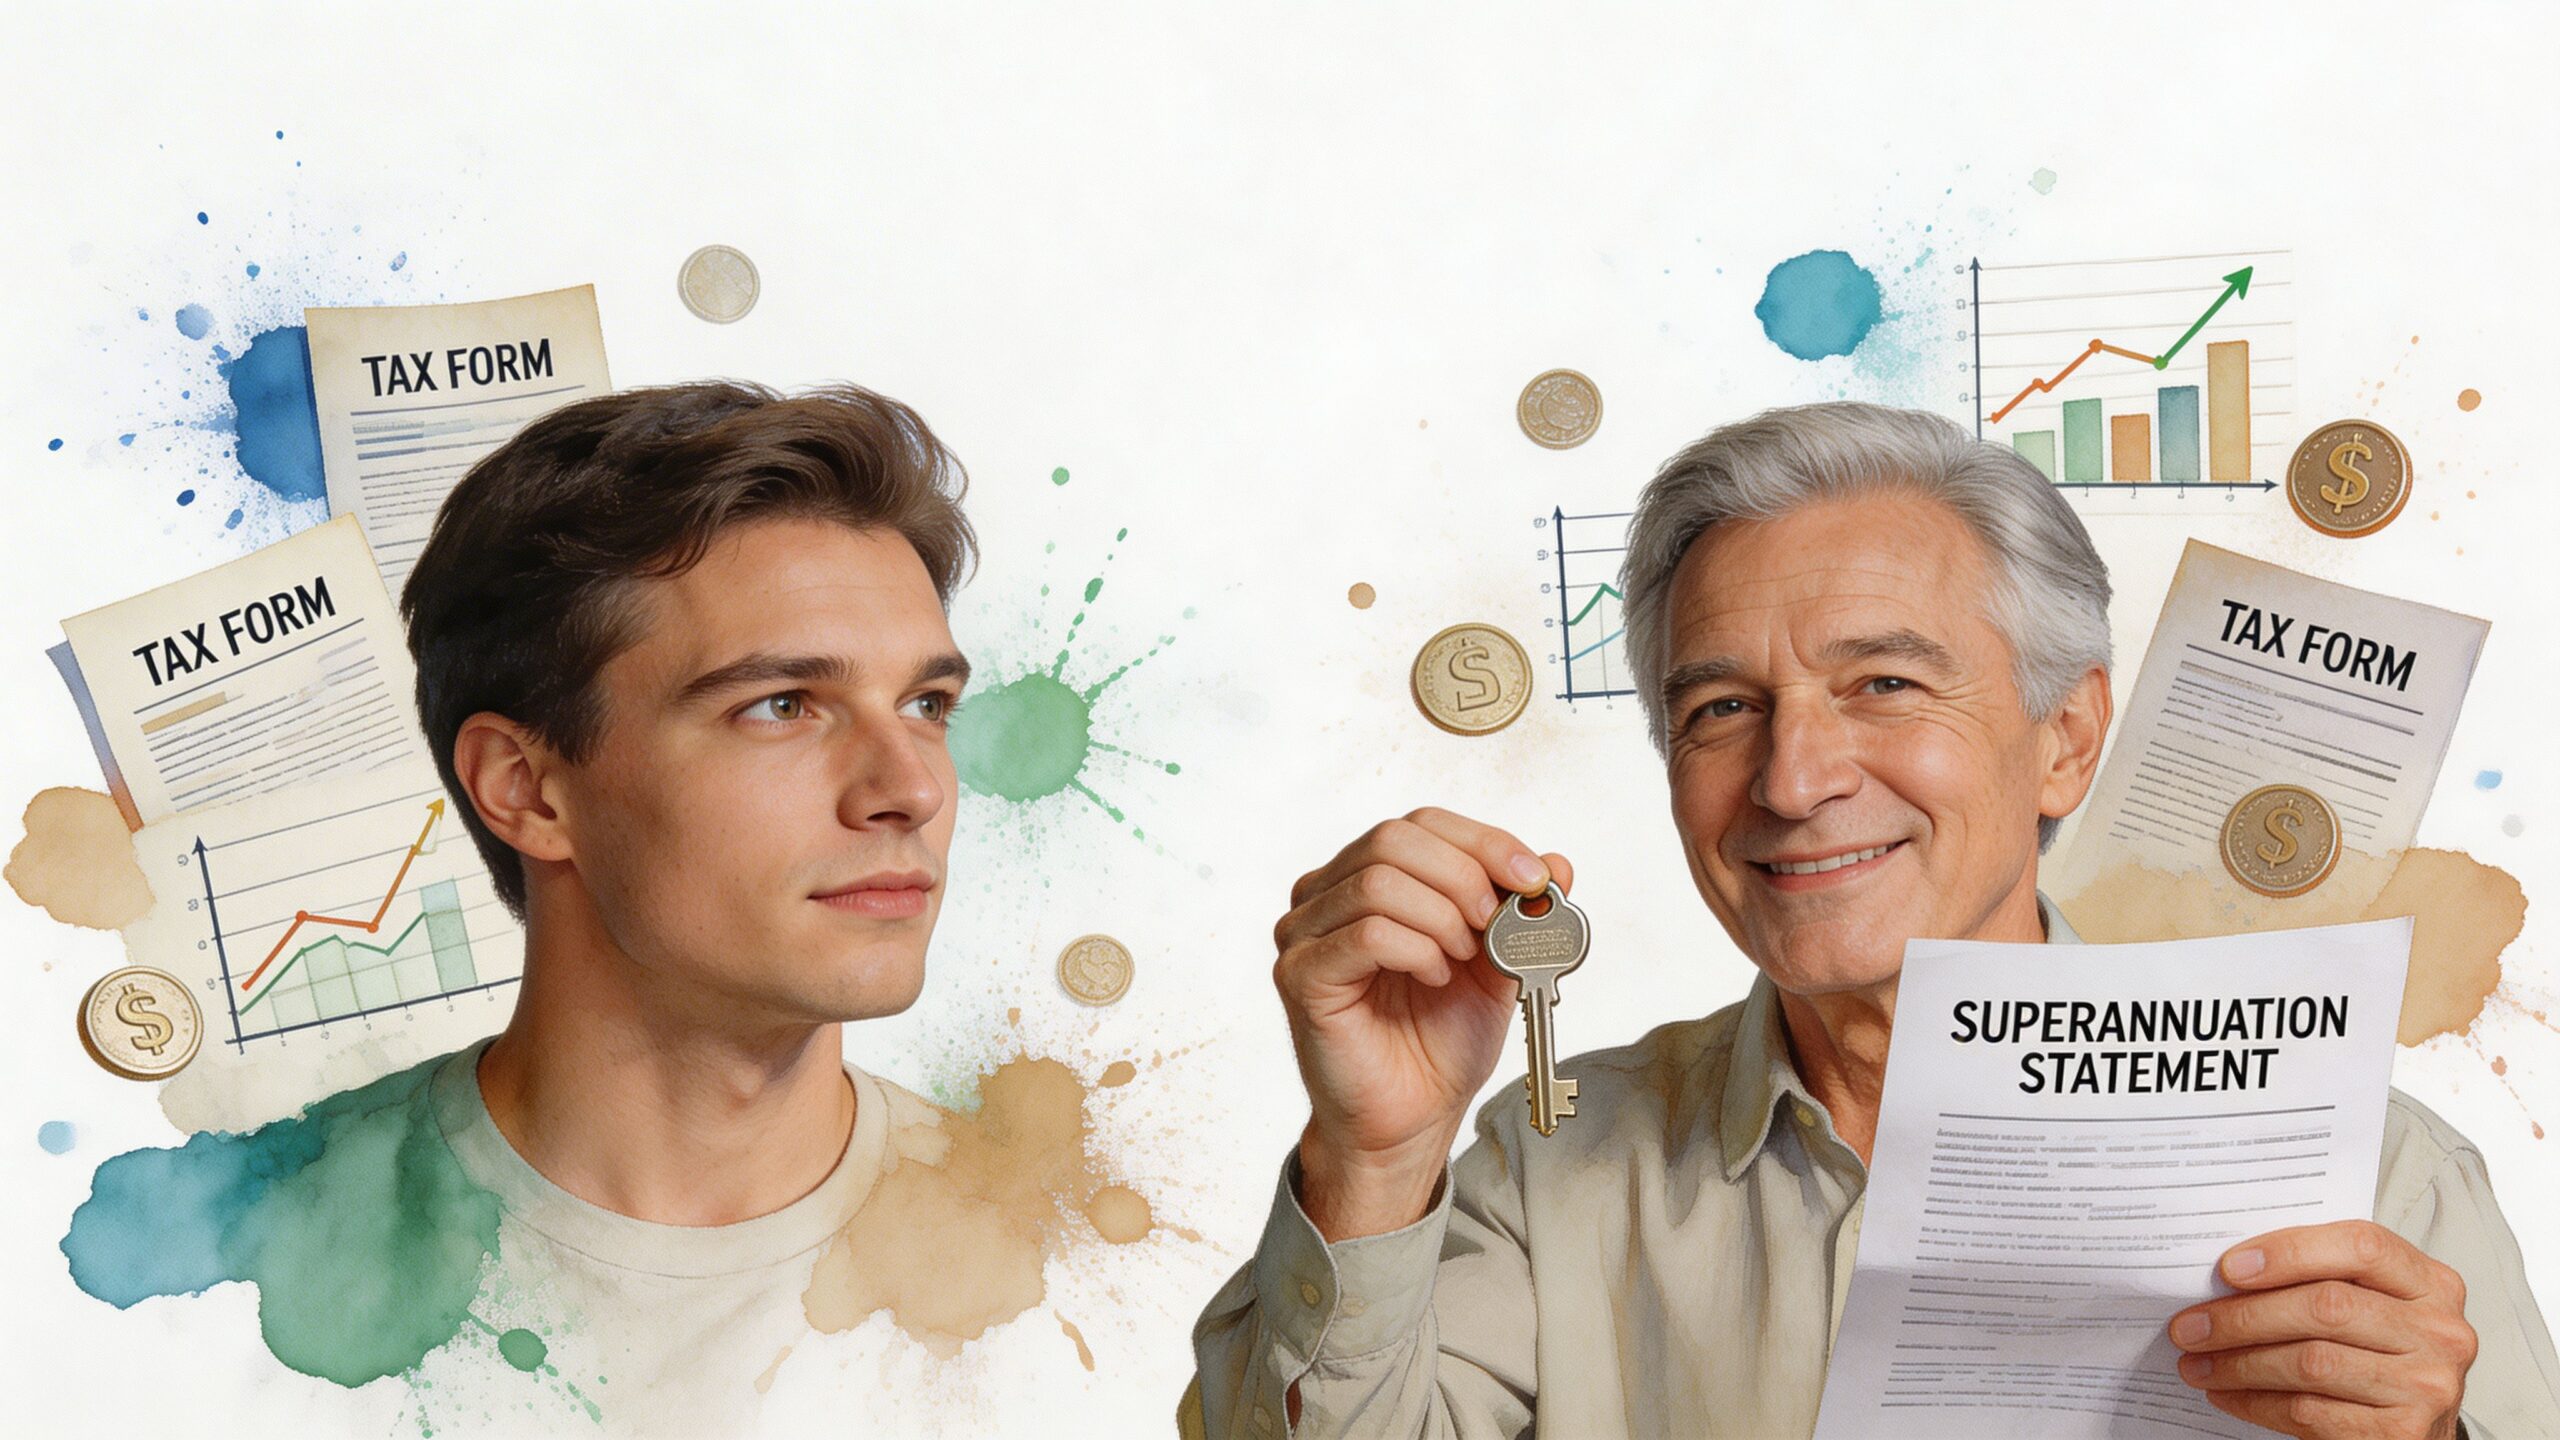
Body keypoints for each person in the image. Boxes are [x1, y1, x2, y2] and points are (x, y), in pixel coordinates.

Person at [1183, 401, 2560, 1438]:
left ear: (2067, 739)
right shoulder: (1553, 1170)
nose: (1792, 780)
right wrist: (1375, 1153)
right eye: (1721, 709)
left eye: (1887, 684)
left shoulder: (2372, 1169)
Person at [66, 381, 981, 1432]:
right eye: (781, 706)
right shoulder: (223, 1279)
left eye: (927, 704)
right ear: (526, 789)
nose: (908, 787)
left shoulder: (1073, 1274)